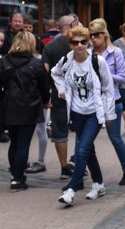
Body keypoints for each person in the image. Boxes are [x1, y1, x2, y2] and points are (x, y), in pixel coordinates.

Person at [51, 26, 116, 205]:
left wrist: (109, 114)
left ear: (87, 42)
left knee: (81, 150)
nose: (79, 45)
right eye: (75, 42)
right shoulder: (66, 60)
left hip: (94, 113)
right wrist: (62, 89)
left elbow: (109, 88)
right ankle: (99, 184)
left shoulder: (98, 61)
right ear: (70, 44)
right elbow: (54, 73)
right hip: (77, 113)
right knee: (88, 150)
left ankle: (72, 188)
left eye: (83, 42)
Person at [0, 31, 51, 191]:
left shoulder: (4, 61)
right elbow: (44, 87)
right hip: (29, 106)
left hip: (8, 105)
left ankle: (16, 175)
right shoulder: (36, 64)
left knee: (14, 142)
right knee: (23, 143)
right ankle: (17, 178)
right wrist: (45, 101)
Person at [89, 19, 125, 185]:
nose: (93, 38)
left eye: (97, 35)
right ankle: (88, 175)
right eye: (91, 35)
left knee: (115, 138)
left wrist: (104, 73)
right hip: (91, 101)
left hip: (112, 100)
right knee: (84, 141)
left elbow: (122, 77)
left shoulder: (116, 52)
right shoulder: (88, 52)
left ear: (104, 34)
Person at [41, 14, 79, 178]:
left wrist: (46, 95)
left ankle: (64, 167)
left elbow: (44, 72)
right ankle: (78, 163)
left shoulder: (50, 47)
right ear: (71, 25)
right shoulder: (80, 43)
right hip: (80, 96)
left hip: (59, 95)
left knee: (60, 134)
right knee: (83, 131)